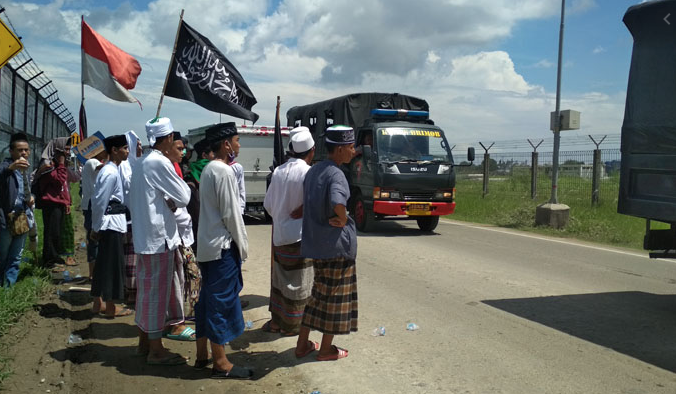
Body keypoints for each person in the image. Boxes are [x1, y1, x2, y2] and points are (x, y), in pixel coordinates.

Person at [129, 117, 191, 366]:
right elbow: (184, 196)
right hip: (158, 239)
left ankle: (144, 342)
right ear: (166, 139)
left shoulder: (141, 162)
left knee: (147, 292)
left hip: (146, 238)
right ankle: (156, 349)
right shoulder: (158, 162)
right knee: (157, 294)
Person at [294, 125, 358, 361]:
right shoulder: (336, 174)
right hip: (335, 248)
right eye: (351, 147)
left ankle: (302, 345)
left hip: (316, 246)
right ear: (340, 150)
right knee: (335, 300)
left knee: (317, 296)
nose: (354, 151)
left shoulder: (313, 171)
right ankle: (326, 349)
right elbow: (337, 201)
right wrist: (342, 217)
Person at [194, 122, 253, 379]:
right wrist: (244, 247)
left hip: (208, 247)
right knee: (220, 303)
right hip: (222, 249)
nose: (239, 145)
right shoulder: (224, 172)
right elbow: (232, 215)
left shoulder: (208, 169)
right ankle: (220, 362)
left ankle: (202, 354)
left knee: (207, 301)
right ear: (226, 144)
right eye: (237, 140)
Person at [262, 127, 315, 336]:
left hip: (280, 235)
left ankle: (277, 322)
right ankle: (293, 326)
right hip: (300, 237)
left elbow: (268, 205)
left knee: (280, 281)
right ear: (311, 151)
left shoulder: (278, 171)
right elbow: (315, 203)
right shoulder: (308, 172)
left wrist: (281, 215)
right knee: (300, 283)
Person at [90, 135, 133, 318]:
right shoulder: (110, 172)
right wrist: (96, 227)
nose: (127, 151)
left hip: (111, 223)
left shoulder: (113, 170)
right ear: (114, 150)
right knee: (110, 267)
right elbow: (100, 201)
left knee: (103, 265)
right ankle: (109, 307)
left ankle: (97, 303)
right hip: (110, 225)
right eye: (124, 148)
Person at [161, 131, 198, 337]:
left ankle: (178, 319)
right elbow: (176, 202)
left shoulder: (176, 168)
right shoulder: (164, 169)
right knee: (177, 279)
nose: (183, 152)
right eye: (179, 148)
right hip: (174, 233)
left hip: (182, 232)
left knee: (183, 278)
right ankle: (175, 324)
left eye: (184, 148)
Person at [0, 133, 35, 287]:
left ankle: (8, 287)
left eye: (26, 150)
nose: (24, 153)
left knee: (16, 255)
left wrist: (30, 197)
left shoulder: (25, 170)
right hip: (6, 217)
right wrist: (10, 168)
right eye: (20, 150)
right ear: (11, 151)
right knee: (3, 254)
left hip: (22, 216)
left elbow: (23, 190)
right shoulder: (5, 166)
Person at [34, 137, 71, 268]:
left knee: (56, 232)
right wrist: (61, 164)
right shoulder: (48, 166)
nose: (67, 152)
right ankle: (49, 260)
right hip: (50, 203)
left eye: (69, 149)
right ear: (57, 150)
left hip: (58, 202)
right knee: (51, 232)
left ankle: (54, 256)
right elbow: (59, 181)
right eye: (65, 149)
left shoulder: (57, 165)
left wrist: (66, 201)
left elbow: (64, 187)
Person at [119, 130, 142, 307]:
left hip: (137, 216)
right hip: (129, 217)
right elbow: (130, 185)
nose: (140, 147)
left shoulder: (134, 163)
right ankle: (131, 292)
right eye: (137, 144)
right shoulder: (125, 166)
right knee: (131, 257)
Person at [81, 148, 108, 282]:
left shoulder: (92, 163)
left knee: (95, 239)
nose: (106, 154)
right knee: (93, 239)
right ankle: (93, 274)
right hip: (91, 205)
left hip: (93, 204)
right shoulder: (92, 162)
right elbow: (104, 168)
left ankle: (95, 272)